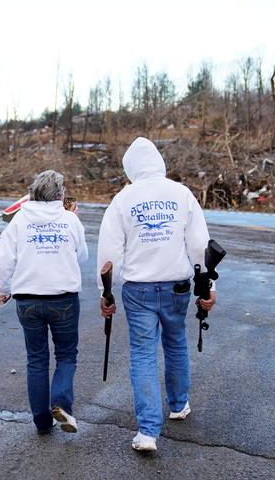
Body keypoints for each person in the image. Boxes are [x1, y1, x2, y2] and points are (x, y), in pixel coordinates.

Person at [97, 137, 216, 452]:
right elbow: (199, 244)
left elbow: (109, 253)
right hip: (177, 285)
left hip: (139, 290)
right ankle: (178, 405)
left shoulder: (123, 199)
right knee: (176, 344)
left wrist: (104, 293)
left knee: (143, 353)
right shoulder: (182, 194)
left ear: (130, 168)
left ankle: (148, 432)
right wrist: (210, 287)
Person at [0, 170, 88, 435]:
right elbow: (81, 257)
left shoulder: (19, 221)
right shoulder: (70, 220)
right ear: (60, 194)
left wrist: (4, 289)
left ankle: (42, 422)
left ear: (33, 193)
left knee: (36, 359)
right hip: (63, 299)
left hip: (28, 300)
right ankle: (60, 403)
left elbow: (3, 260)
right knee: (67, 355)